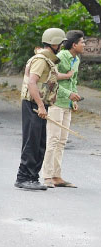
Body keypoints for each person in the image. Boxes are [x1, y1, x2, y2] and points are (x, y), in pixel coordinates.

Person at [15, 28, 67, 191]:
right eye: (61, 44)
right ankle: (23, 177)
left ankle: (32, 177)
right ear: (54, 44)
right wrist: (40, 105)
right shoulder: (41, 60)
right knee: (32, 141)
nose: (62, 47)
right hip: (33, 104)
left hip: (38, 105)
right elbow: (32, 82)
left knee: (39, 142)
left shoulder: (47, 59)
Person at [43, 30, 85, 188]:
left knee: (62, 141)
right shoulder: (60, 57)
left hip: (67, 104)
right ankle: (47, 176)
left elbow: (73, 81)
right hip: (56, 102)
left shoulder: (77, 59)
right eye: (82, 42)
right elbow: (50, 80)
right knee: (53, 140)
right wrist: (69, 94)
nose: (84, 45)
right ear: (74, 45)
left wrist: (75, 98)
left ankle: (56, 176)